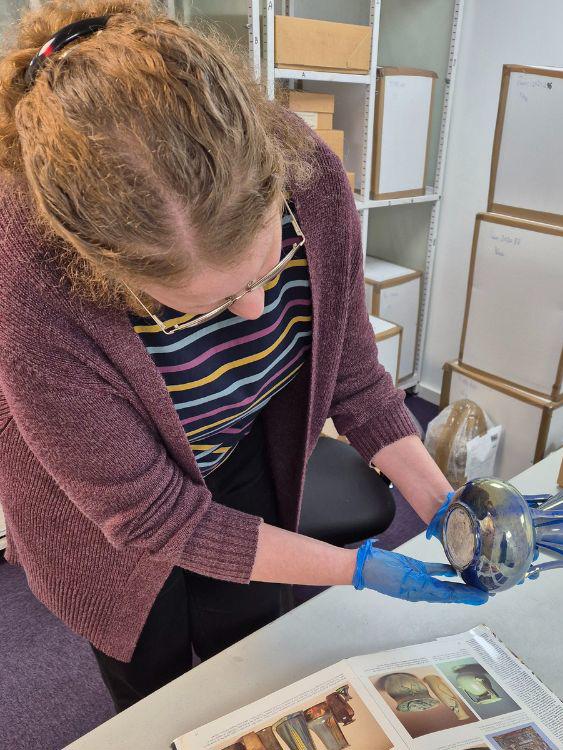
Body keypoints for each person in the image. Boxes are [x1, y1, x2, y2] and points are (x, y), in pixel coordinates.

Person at [0, 0, 487, 714]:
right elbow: (154, 520)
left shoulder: (307, 175)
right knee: (155, 687)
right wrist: (355, 570)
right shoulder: (27, 278)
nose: (258, 314)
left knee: (252, 648)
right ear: (100, 269)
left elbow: (352, 375)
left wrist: (440, 505)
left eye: (267, 270)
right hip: (103, 517)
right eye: (197, 307)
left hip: (236, 443)